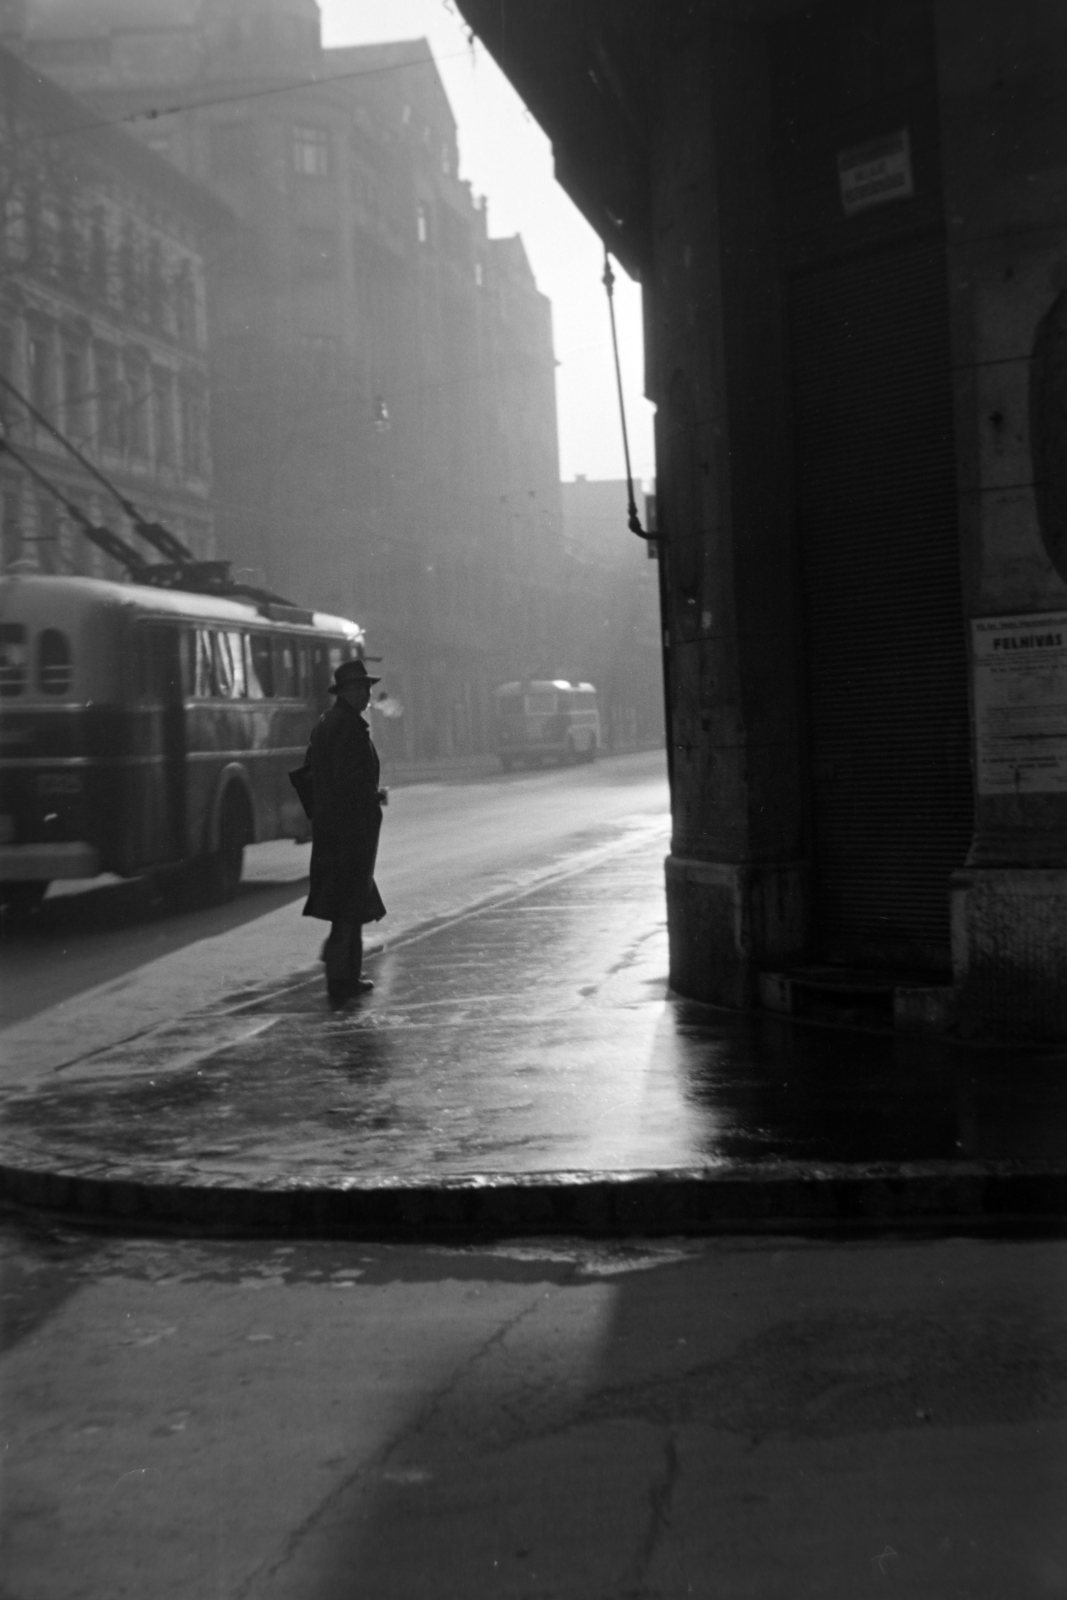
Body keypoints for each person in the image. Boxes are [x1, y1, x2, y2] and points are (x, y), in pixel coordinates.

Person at [302, 658, 387, 1005]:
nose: (368, 694)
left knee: (347, 906)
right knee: (348, 906)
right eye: (362, 688)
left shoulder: (333, 722)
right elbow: (348, 781)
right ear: (348, 692)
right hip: (348, 832)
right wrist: (372, 796)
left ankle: (344, 973)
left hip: (336, 829)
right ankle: (341, 978)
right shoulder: (346, 727)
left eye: (368, 688)